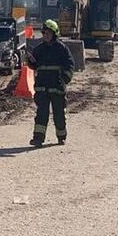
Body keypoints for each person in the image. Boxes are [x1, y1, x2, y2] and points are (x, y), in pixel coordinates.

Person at [25, 19, 75, 147]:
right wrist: (30, 61)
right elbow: (34, 65)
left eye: (48, 33)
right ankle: (38, 138)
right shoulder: (39, 49)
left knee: (59, 114)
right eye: (44, 33)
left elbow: (70, 65)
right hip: (42, 87)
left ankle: (61, 136)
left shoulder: (62, 49)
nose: (46, 36)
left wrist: (64, 79)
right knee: (41, 114)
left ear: (54, 34)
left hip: (57, 87)